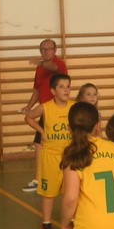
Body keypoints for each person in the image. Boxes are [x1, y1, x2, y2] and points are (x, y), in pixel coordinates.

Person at [24, 72, 73, 229]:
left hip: (69, 156)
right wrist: (41, 131)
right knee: (48, 193)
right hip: (50, 156)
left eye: (68, 87)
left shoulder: (74, 107)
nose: (66, 90)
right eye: (61, 87)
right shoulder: (45, 107)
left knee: (71, 192)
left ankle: (71, 224)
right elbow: (29, 117)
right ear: (53, 91)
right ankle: (46, 225)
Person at [19, 39, 68, 191]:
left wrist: (40, 63)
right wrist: (29, 106)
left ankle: (40, 178)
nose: (46, 52)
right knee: (40, 144)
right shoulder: (39, 69)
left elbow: (52, 67)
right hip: (45, 111)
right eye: (43, 49)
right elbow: (37, 90)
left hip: (57, 112)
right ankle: (38, 178)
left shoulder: (59, 64)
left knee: (51, 144)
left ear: (55, 50)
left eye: (49, 49)